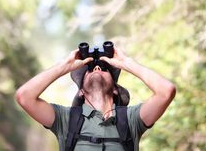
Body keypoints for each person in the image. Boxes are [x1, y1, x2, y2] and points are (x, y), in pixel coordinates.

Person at [15, 45, 176, 150]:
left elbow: (166, 91)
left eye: (104, 69)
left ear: (115, 89)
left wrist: (127, 63)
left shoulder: (130, 119)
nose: (97, 67)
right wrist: (64, 66)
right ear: (81, 92)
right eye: (90, 70)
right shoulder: (66, 120)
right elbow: (24, 96)